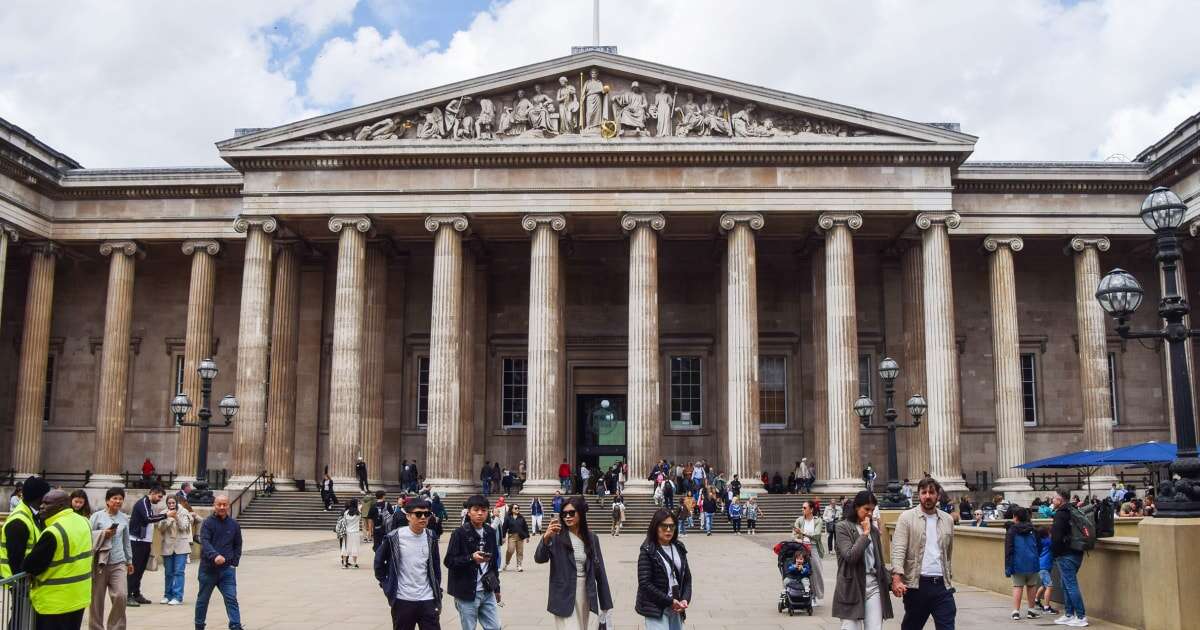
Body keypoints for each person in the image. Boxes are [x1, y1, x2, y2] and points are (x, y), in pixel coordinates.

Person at [535, 496, 614, 630]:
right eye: (564, 514)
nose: (567, 517)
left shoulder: (592, 538)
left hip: (585, 592)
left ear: (581, 514)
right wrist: (546, 538)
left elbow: (600, 572)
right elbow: (540, 558)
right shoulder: (556, 535)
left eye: (571, 513)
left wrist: (606, 604)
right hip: (563, 594)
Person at [22, 489, 94, 630]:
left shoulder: (53, 532)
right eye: (42, 502)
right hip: (78, 597)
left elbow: (30, 565)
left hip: (55, 602)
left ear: (61, 506)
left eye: (47, 503)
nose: (42, 506)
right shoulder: (84, 521)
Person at [890, 478, 956, 630]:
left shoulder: (947, 520)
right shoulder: (906, 518)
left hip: (942, 586)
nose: (927, 496)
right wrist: (896, 578)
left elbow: (948, 551)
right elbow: (898, 549)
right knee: (912, 626)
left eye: (931, 492)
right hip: (917, 586)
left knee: (947, 626)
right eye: (924, 492)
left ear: (938, 495)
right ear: (918, 495)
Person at [374, 497, 442, 630]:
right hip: (402, 599)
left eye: (426, 514)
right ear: (408, 516)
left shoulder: (431, 536)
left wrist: (437, 590)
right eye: (418, 514)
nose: (423, 517)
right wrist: (387, 585)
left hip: (427, 598)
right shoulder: (394, 537)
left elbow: (435, 566)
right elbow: (378, 563)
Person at [833, 490, 892, 630]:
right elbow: (850, 556)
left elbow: (880, 563)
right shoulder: (842, 527)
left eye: (872, 510)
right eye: (866, 509)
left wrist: (892, 581)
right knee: (850, 627)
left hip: (874, 586)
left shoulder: (875, 531)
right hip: (851, 586)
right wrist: (864, 534)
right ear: (856, 507)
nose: (870, 513)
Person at [445, 495, 501, 630]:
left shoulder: (490, 532)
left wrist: (497, 588)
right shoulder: (459, 533)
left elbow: (493, 563)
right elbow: (449, 561)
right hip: (466, 591)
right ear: (468, 512)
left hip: (487, 590)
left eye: (484, 510)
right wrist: (471, 558)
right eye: (476, 510)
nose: (480, 513)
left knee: (494, 627)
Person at [635, 508, 692, 630]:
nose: (668, 530)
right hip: (656, 607)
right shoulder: (647, 550)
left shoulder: (679, 547)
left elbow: (687, 579)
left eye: (672, 526)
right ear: (655, 527)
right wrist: (669, 601)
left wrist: (685, 600)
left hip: (676, 607)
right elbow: (645, 583)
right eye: (664, 526)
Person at [195, 494, 243, 630]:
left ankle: (235, 625)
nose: (222, 507)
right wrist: (214, 555)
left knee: (231, 599)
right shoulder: (208, 523)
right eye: (219, 504)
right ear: (214, 506)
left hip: (227, 570)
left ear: (228, 506)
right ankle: (199, 625)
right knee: (203, 600)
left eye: (225, 504)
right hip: (208, 569)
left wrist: (234, 562)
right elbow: (205, 542)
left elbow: (238, 544)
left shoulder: (234, 524)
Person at [88, 486, 133, 628]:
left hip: (118, 562)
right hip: (99, 562)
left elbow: (126, 541)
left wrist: (129, 560)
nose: (118, 501)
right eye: (114, 498)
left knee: (121, 595)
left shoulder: (124, 518)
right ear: (107, 501)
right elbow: (88, 536)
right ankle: (96, 627)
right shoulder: (97, 516)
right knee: (96, 600)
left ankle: (116, 626)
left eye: (120, 499)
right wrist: (103, 533)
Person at [1050, 488, 1088, 627]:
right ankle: (1069, 614)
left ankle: (1081, 616)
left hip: (1065, 554)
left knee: (1070, 585)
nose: (1052, 500)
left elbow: (1057, 537)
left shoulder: (1060, 514)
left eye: (1054, 498)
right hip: (1076, 551)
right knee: (1065, 584)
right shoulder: (1072, 510)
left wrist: (1055, 553)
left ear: (1060, 500)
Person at [128, 485, 169, 606]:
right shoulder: (143, 503)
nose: (160, 499)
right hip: (137, 541)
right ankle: (128, 595)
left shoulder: (148, 504)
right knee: (134, 569)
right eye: (159, 496)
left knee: (140, 569)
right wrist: (166, 515)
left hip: (144, 541)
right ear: (152, 492)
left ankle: (136, 593)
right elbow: (148, 518)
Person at [1004, 506, 1041, 621]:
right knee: (1032, 585)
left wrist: (1007, 565)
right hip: (1033, 562)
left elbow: (1009, 549)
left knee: (1017, 586)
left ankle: (1016, 611)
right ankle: (1031, 610)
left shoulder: (1012, 531)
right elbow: (1039, 546)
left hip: (1017, 563)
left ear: (1015, 517)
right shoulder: (1033, 529)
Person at [158, 494, 194, 605]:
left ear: (176, 503)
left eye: (173, 503)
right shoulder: (163, 513)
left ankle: (178, 596)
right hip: (168, 546)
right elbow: (160, 529)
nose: (171, 505)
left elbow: (184, 527)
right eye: (169, 503)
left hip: (181, 546)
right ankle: (167, 595)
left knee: (179, 572)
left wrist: (176, 518)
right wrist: (167, 519)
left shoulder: (184, 512)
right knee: (168, 573)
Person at [792, 500, 826, 604]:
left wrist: (802, 533)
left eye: (804, 508)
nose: (802, 509)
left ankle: (815, 596)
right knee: (803, 571)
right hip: (802, 548)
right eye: (802, 507)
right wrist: (797, 539)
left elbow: (816, 535)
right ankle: (806, 595)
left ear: (811, 509)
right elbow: (794, 534)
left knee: (816, 572)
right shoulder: (799, 520)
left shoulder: (818, 521)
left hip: (814, 548)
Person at [1034, 527, 1058, 615]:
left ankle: (1036, 601)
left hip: (1041, 566)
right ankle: (1046, 607)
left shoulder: (1040, 541)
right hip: (1044, 567)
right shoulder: (1048, 541)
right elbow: (1056, 543)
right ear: (1047, 534)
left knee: (1044, 585)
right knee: (1049, 586)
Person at [503, 505, 530, 572]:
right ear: (512, 509)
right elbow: (504, 528)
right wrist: (503, 537)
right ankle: (507, 563)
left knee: (520, 552)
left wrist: (527, 536)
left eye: (518, 508)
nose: (517, 509)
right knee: (510, 550)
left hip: (520, 537)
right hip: (512, 536)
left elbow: (525, 527)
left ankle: (519, 565)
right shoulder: (508, 517)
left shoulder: (521, 517)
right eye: (515, 508)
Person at [340, 499, 363, 569]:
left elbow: (345, 522)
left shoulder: (346, 512)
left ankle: (344, 564)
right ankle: (354, 563)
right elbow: (361, 506)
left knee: (345, 547)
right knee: (354, 547)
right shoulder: (358, 513)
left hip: (347, 532)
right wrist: (360, 504)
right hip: (355, 532)